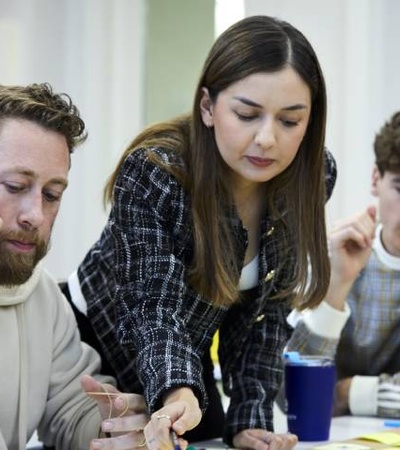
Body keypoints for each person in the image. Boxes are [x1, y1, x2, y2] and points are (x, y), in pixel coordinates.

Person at [63, 15, 337, 450]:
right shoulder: (156, 172)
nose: (267, 138)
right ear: (207, 107)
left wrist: (249, 419)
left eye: (290, 121)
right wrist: (177, 390)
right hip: (89, 343)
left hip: (179, 357)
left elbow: (265, 312)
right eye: (246, 114)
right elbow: (152, 304)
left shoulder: (311, 178)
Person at [0, 82, 149, 450]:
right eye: (15, 186)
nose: (36, 215)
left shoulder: (42, 298)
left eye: (51, 195)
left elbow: (71, 406)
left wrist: (113, 426)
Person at [285, 110, 400, 419]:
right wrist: (337, 285)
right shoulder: (334, 255)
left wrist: (347, 392)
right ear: (376, 180)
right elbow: (290, 393)